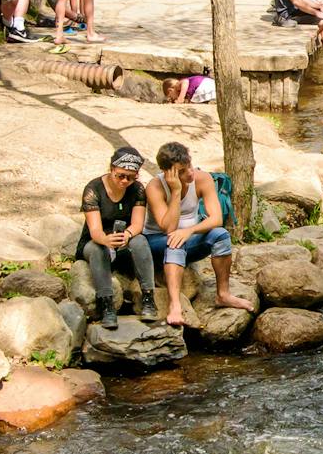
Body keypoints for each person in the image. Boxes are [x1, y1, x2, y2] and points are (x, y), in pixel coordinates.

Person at [143, 141, 254, 328]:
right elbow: (169, 228)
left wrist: (190, 230)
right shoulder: (155, 187)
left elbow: (216, 218)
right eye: (182, 172)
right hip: (157, 241)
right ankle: (175, 305)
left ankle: (223, 294)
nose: (190, 174)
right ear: (167, 172)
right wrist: (176, 191)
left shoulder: (202, 179)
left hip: (189, 237)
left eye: (190, 167)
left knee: (220, 235)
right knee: (174, 241)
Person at [77, 146, 158, 329]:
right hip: (96, 241)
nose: (124, 181)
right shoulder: (93, 189)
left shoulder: (137, 189)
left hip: (124, 242)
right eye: (120, 175)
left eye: (130, 177)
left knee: (140, 240)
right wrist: (105, 240)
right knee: (97, 249)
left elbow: (137, 224)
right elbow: (95, 229)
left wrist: (127, 235)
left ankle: (148, 298)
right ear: (112, 168)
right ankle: (106, 304)